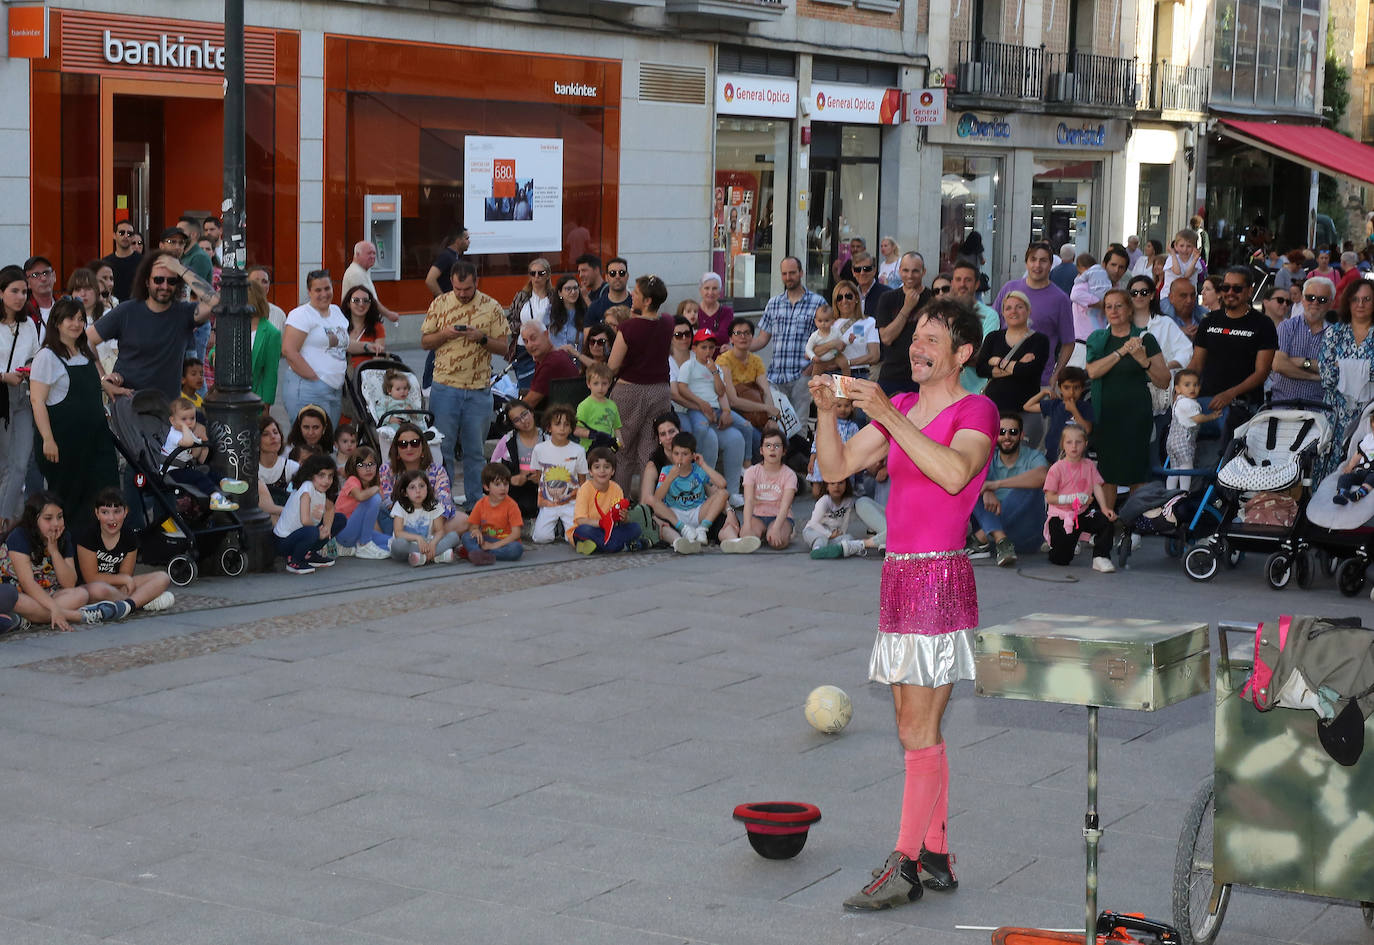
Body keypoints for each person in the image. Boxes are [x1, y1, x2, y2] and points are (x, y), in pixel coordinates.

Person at [808, 297, 997, 910]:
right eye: (916, 334)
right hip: (898, 578)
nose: (917, 345)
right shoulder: (906, 409)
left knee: (916, 729)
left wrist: (888, 412)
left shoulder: (978, 409)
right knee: (915, 729)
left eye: (932, 338)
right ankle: (935, 852)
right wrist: (825, 413)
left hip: (939, 580)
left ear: (962, 354)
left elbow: (951, 473)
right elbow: (834, 467)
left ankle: (905, 863)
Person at [421, 260, 509, 509]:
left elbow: (505, 348)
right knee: (442, 449)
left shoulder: (491, 306)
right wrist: (444, 335)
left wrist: (481, 338)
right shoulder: (439, 303)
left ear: (476, 283)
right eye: (458, 289)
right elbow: (425, 342)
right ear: (451, 282)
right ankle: (442, 502)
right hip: (444, 388)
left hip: (478, 390)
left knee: (474, 452)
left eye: (467, 289)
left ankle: (476, 503)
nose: (462, 294)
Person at [30, 299, 120, 527]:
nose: (77, 324)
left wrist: (106, 384)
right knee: (68, 504)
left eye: (81, 319)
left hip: (96, 443)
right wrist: (48, 440)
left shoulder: (85, 351)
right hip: (64, 446)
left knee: (105, 497)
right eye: (71, 318)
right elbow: (37, 400)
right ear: (57, 322)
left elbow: (94, 382)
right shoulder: (47, 357)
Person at [89, 250, 215, 402]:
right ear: (147, 282)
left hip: (166, 408)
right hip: (129, 403)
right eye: (158, 280)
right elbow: (87, 340)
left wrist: (181, 269)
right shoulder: (126, 311)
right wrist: (103, 378)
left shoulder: (184, 313)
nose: (164, 285)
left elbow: (216, 303)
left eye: (171, 281)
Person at [1085, 289, 1170, 511]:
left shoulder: (1145, 338)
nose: (1113, 311)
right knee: (1107, 474)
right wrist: (1121, 352)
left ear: (1129, 309)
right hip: (1107, 415)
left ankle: (1134, 526)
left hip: (1136, 416)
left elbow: (1164, 380)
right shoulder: (1098, 339)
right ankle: (1106, 525)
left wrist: (1145, 362)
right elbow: (1093, 372)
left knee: (1137, 473)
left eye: (1118, 305)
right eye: (1109, 306)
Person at [0, 492, 128, 630]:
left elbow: (69, 583)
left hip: (48, 594)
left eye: (60, 517)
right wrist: (54, 608)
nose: (56, 524)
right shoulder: (20, 536)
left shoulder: (64, 536)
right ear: (33, 520)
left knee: (80, 595)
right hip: (20, 593)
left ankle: (28, 618)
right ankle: (78, 616)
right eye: (48, 518)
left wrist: (54, 552)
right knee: (16, 599)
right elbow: (27, 583)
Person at [1185, 266, 1278, 445]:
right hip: (1206, 401)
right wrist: (1181, 391)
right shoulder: (1208, 321)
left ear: (1250, 291)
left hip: (1243, 405)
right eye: (1225, 288)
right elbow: (1196, 363)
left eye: (1237, 288)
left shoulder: (1263, 324)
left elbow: (1262, 373)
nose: (1230, 293)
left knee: (1229, 462)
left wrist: (1229, 394)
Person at [608, 275, 674, 492]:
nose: (632, 295)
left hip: (630, 390)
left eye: (636, 292)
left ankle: (619, 503)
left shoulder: (628, 327)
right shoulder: (667, 323)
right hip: (660, 390)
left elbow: (613, 365)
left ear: (646, 301)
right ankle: (649, 504)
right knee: (649, 449)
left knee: (623, 450)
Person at [675, 327, 749, 501]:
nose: (708, 352)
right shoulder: (689, 365)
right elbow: (681, 388)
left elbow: (721, 392)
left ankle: (732, 491)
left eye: (711, 348)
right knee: (701, 429)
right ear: (694, 349)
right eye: (703, 347)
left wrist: (726, 411)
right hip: (697, 410)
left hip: (716, 409)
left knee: (741, 433)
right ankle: (696, 471)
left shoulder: (716, 368)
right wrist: (701, 405)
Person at [967, 412, 1049, 566]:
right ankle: (1001, 540)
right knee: (972, 485)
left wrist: (995, 485)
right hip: (995, 538)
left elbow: (1043, 476)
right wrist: (986, 490)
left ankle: (981, 539)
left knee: (1028, 487)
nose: (1007, 437)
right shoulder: (989, 457)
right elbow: (970, 479)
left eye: (1013, 432)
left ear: (1021, 435)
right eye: (1002, 432)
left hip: (1025, 536)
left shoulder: (1033, 456)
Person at [992, 242, 1075, 393]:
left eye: (1043, 260)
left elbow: (1068, 342)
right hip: (1002, 378)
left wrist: (1056, 374)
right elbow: (993, 325)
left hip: (1039, 382)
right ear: (1026, 263)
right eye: (1033, 259)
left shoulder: (1060, 299)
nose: (1037, 265)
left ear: (1051, 265)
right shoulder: (1009, 288)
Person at [75, 487, 174, 612]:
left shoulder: (129, 536)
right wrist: (124, 580)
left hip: (118, 588)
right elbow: (91, 578)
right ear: (97, 513)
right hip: (91, 589)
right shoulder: (88, 535)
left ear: (125, 512)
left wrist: (124, 580)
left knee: (163, 577)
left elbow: (126, 575)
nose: (111, 518)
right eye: (105, 512)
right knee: (100, 589)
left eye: (117, 511)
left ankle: (125, 606)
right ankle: (139, 603)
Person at [1318, 279, 1374, 484]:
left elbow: (1335, 369)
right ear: (1348, 303)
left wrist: (1345, 366)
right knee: (1330, 470)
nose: (1361, 304)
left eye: (1367, 299)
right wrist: (1366, 369)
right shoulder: (1335, 333)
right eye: (1355, 299)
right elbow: (1326, 377)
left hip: (1370, 418)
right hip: (1336, 416)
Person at [1043, 425, 1117, 571]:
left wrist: (1104, 508)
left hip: (1083, 513)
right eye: (1069, 442)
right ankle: (1055, 545)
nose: (1074, 446)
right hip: (1061, 517)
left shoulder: (1089, 465)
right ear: (1062, 444)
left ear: (1086, 444)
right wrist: (1073, 498)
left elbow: (1097, 486)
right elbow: (1049, 498)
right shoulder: (1056, 468)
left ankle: (1101, 557)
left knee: (1105, 521)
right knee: (1061, 559)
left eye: (1078, 442)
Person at [281, 269, 350, 423]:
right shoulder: (301, 314)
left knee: (328, 440)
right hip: (309, 388)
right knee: (308, 442)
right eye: (318, 290)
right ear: (309, 291)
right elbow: (288, 350)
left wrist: (368, 347)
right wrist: (316, 379)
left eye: (327, 288)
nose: (324, 294)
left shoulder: (336, 311)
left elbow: (344, 343)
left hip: (334, 389)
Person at [0, 266, 39, 534]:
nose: (20, 296)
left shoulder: (28, 325)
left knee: (21, 462)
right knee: (5, 465)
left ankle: (5, 522)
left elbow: (36, 356)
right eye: (14, 291)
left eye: (24, 291)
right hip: (1, 395)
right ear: (1, 292)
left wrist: (28, 371)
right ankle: (8, 523)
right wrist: (3, 376)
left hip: (23, 395)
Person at [378, 420, 467, 537]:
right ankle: (426, 541)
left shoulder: (437, 470)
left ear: (423, 446)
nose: (409, 448)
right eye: (403, 444)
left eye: (414, 443)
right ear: (397, 449)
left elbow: (444, 500)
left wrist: (429, 521)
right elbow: (386, 501)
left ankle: (423, 541)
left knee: (464, 520)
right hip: (399, 521)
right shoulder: (386, 469)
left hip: (431, 521)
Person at [651, 431, 728, 554]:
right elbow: (657, 498)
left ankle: (703, 529)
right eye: (676, 454)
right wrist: (669, 478)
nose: (680, 458)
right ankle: (684, 529)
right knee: (654, 503)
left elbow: (722, 484)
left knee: (723, 493)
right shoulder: (666, 470)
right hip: (676, 515)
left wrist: (703, 465)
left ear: (693, 455)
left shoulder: (698, 470)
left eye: (685, 454)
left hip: (697, 512)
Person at [974, 290, 1050, 414]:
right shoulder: (993, 337)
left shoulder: (1040, 340)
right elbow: (981, 369)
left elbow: (1030, 370)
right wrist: (1018, 363)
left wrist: (997, 361)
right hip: (993, 408)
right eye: (1008, 308)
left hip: (1026, 409)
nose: (1013, 311)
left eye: (1019, 307)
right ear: (1003, 313)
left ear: (1029, 311)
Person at [163, 396, 242, 510]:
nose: (189, 422)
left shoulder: (188, 433)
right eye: (184, 419)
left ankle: (224, 482)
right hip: (171, 471)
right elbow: (188, 442)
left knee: (207, 470)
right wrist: (186, 429)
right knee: (198, 476)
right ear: (172, 420)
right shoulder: (173, 434)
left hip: (185, 467)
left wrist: (201, 442)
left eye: (192, 418)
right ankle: (215, 497)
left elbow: (195, 454)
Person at [873, 252, 933, 395]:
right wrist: (907, 307)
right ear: (899, 271)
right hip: (892, 374)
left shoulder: (933, 299)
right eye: (905, 270)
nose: (910, 275)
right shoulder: (887, 298)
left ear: (923, 272)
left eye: (915, 271)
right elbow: (886, 338)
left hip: (925, 375)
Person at [273, 454, 344, 574]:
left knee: (340, 519)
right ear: (311, 475)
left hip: (304, 534)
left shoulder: (321, 490)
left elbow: (330, 509)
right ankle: (295, 561)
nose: (326, 481)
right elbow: (305, 520)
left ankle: (309, 554)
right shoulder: (307, 488)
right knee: (312, 531)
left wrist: (327, 528)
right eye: (321, 475)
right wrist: (319, 532)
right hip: (284, 541)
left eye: (330, 476)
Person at [529, 404, 588, 544]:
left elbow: (582, 481)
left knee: (573, 539)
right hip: (548, 502)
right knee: (541, 538)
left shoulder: (578, 450)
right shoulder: (539, 449)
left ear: (571, 428)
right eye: (557, 424)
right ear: (549, 427)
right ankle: (553, 527)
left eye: (566, 424)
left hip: (571, 503)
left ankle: (564, 527)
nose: (562, 428)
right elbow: (538, 476)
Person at [1270, 276, 1330, 405]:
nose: (1315, 303)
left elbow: (1335, 369)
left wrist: (1303, 362)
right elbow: (1279, 365)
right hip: (1282, 405)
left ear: (1331, 303)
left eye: (1322, 299)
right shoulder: (1287, 327)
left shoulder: (1336, 333)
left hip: (1320, 409)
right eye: (1310, 298)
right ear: (1303, 300)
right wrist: (1315, 376)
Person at [572, 448, 644, 554]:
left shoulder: (616, 488)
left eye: (606, 467)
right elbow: (580, 520)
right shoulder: (585, 489)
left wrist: (624, 518)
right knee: (582, 531)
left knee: (636, 528)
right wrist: (601, 523)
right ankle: (620, 546)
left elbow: (619, 519)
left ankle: (598, 546)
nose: (602, 471)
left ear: (613, 471)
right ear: (590, 472)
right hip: (592, 528)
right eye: (597, 467)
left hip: (611, 531)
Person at [1023, 366, 1093, 468]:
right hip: (1052, 456)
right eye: (1067, 387)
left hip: (1075, 458)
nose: (1071, 392)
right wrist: (1043, 393)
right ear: (1060, 388)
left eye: (1076, 387)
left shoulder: (1085, 407)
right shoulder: (1055, 404)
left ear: (1082, 388)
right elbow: (1027, 406)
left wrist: (1074, 410)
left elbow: (1087, 429)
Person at [741, 428, 798, 549]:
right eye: (768, 445)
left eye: (777, 446)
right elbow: (749, 501)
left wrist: (777, 528)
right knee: (747, 539)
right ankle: (763, 533)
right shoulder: (751, 472)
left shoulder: (789, 475)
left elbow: (785, 505)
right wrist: (746, 525)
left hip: (781, 516)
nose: (772, 449)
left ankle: (782, 531)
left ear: (783, 451)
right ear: (761, 450)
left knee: (778, 543)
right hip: (757, 515)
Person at [389, 468, 460, 566]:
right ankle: (436, 555)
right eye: (412, 487)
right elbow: (398, 533)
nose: (418, 491)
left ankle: (423, 556)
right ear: (404, 492)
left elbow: (440, 531)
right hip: (407, 546)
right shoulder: (400, 506)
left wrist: (433, 544)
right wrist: (418, 538)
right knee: (398, 544)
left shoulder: (434, 505)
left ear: (427, 488)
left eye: (422, 486)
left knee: (454, 536)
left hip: (427, 543)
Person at [1165, 370, 1220, 490]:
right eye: (1187, 385)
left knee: (1174, 469)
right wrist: (1212, 416)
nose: (1192, 388)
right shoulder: (1186, 403)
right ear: (1178, 389)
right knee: (1187, 468)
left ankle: (1169, 493)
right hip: (1183, 441)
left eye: (1195, 385)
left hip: (1172, 441)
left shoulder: (1178, 401)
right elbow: (1198, 418)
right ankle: (1184, 491)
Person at [334, 446, 392, 558]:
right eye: (361, 465)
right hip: (343, 533)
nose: (368, 468)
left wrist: (377, 536)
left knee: (391, 542)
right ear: (354, 468)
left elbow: (370, 519)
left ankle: (421, 552)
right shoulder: (352, 481)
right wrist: (375, 489)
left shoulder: (371, 485)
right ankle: (364, 544)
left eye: (371, 464)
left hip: (359, 533)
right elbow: (360, 497)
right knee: (375, 498)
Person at [464, 463, 525, 563]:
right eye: (497, 484)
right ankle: (479, 553)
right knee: (466, 537)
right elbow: (472, 526)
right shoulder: (480, 504)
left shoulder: (512, 505)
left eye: (505, 484)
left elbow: (516, 534)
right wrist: (476, 531)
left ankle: (480, 554)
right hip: (486, 539)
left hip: (506, 542)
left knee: (516, 549)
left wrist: (493, 546)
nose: (503, 488)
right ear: (486, 487)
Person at [1070, 244, 1131, 341]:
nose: (1116, 270)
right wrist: (1102, 304)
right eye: (1113, 265)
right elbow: (1075, 295)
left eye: (1121, 267)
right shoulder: (1091, 280)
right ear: (1104, 265)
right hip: (1083, 342)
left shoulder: (1117, 288)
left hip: (1103, 341)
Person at [520, 322, 580, 411]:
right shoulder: (555, 356)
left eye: (533, 338)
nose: (529, 345)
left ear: (546, 334)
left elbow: (529, 403)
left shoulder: (551, 363)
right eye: (525, 341)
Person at [341, 241, 399, 324]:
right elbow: (368, 299)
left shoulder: (361, 271)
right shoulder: (356, 273)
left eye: (374, 253)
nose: (373, 257)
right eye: (369, 253)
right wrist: (389, 314)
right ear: (357, 255)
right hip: (359, 324)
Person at [256, 416, 298, 525]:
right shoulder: (249, 470)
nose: (273, 437)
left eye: (275, 432)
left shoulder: (291, 467)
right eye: (266, 434)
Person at [246, 279, 281, 408]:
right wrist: (215, 355)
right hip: (228, 396)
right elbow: (214, 351)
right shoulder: (231, 325)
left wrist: (266, 406)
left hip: (255, 399)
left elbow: (270, 374)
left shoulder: (272, 333)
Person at [576, 362, 622, 450]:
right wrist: (594, 435)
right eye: (596, 383)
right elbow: (576, 429)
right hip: (589, 450)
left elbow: (616, 427)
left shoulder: (612, 405)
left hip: (608, 450)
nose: (600, 387)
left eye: (604, 383)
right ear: (588, 384)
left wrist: (619, 442)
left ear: (610, 384)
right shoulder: (584, 405)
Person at [1333, 413, 1374, 504]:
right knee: (1344, 478)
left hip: (1372, 473)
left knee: (1372, 478)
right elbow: (1358, 454)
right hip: (1361, 471)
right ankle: (1342, 494)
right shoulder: (1368, 439)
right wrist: (1350, 466)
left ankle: (1359, 494)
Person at [342, 285, 387, 369]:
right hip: (340, 375)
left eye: (366, 300)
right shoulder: (340, 325)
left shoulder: (377, 327)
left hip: (365, 375)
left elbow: (378, 357)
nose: (361, 304)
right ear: (348, 304)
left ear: (370, 304)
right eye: (356, 300)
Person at [102, 221, 142, 302]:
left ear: (133, 237)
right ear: (114, 235)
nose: (125, 236)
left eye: (129, 234)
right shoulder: (105, 262)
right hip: (113, 308)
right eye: (121, 233)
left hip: (137, 307)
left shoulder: (143, 261)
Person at [547, 275, 587, 356]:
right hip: (555, 361)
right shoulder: (550, 311)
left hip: (577, 364)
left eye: (575, 288)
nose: (573, 292)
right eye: (568, 289)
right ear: (560, 293)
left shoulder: (585, 312)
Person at [805, 303, 850, 376]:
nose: (823, 323)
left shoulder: (836, 331)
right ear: (815, 321)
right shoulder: (814, 336)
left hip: (835, 356)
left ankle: (846, 380)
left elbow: (842, 341)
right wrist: (813, 356)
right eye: (820, 321)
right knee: (815, 374)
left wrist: (849, 340)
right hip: (821, 360)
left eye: (826, 320)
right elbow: (808, 348)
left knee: (845, 363)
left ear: (832, 321)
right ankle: (815, 384)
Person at [424, 229, 470, 298]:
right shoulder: (446, 256)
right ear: (458, 241)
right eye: (466, 239)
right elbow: (430, 280)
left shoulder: (456, 257)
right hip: (446, 306)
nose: (469, 242)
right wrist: (443, 299)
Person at [587, 257, 631, 329]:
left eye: (621, 273)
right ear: (606, 277)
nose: (617, 276)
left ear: (627, 276)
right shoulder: (595, 307)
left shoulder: (637, 305)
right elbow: (588, 337)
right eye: (612, 273)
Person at [1161, 274, 1205, 340]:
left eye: (1193, 295)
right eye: (1183, 296)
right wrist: (1177, 331)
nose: (1189, 300)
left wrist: (1203, 332)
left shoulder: (1204, 315)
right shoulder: (1159, 316)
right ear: (1171, 297)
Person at [1161, 229, 1203, 297]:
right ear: (1175, 246)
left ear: (1194, 248)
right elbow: (1177, 272)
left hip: (1189, 297)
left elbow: (1187, 276)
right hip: (1169, 295)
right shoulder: (1171, 258)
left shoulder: (1195, 260)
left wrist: (1195, 259)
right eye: (1181, 246)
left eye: (1189, 246)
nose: (1185, 249)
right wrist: (1173, 254)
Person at [695, 273, 734, 347]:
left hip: (720, 356)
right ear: (700, 290)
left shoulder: (726, 312)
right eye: (706, 288)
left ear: (720, 291)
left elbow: (724, 337)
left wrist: (698, 335)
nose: (710, 292)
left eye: (714, 288)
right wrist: (713, 335)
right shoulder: (693, 311)